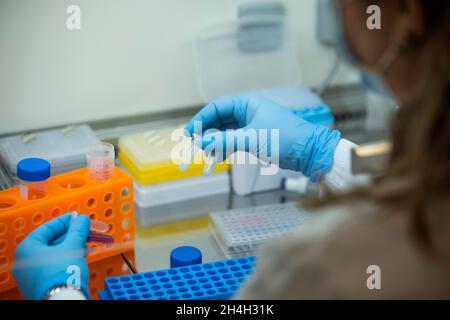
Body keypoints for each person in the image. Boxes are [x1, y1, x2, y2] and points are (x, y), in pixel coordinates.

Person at [13, 0, 450, 299]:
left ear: (407, 12)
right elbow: (421, 184)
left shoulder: (323, 264)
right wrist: (326, 151)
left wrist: (60, 290)